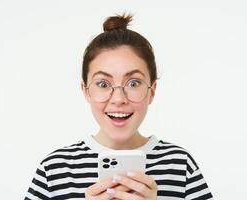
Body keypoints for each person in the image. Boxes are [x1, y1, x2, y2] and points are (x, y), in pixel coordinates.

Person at [25, 14, 213, 200]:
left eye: (133, 83)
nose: (118, 99)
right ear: (85, 91)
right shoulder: (54, 169)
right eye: (103, 84)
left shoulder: (179, 165)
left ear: (152, 91)